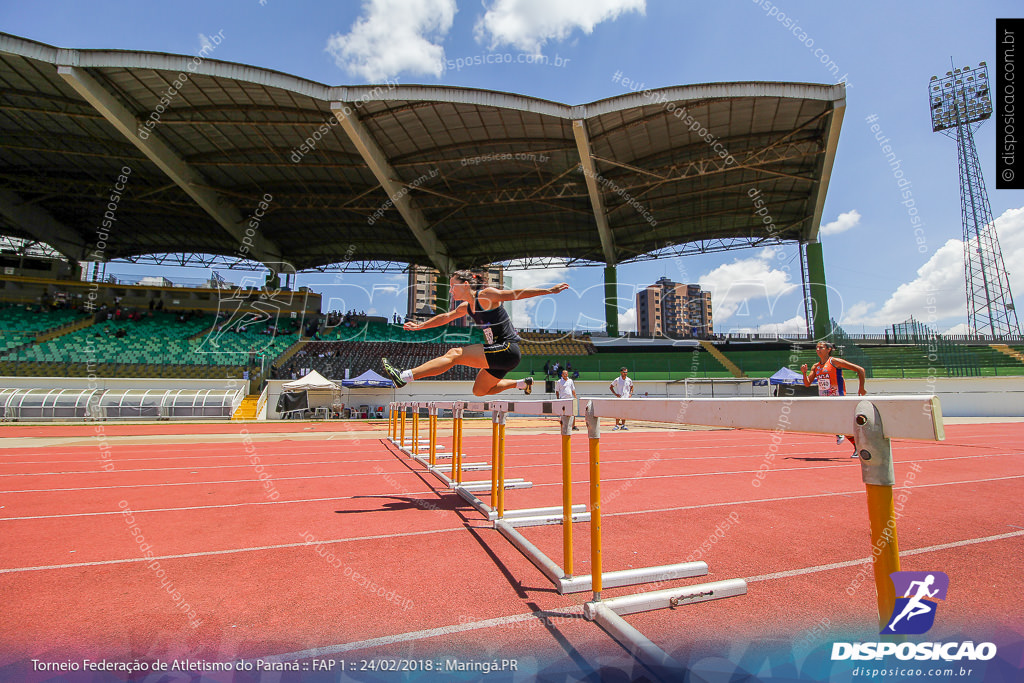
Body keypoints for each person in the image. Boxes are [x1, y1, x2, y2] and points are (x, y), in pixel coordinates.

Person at [381, 270, 569, 396]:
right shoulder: (466, 307)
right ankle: (521, 383)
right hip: (500, 356)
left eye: (453, 286)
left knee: (454, 354)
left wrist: (549, 290)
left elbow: (515, 294)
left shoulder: (486, 296)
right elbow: (445, 317)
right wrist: (420, 326)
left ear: (465, 284)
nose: (451, 290)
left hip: (507, 348)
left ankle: (404, 376)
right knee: (479, 391)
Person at [801, 341, 866, 457]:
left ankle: (848, 439)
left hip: (838, 398)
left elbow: (860, 370)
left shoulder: (835, 362)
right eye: (816, 348)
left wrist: (861, 388)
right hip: (825, 400)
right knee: (830, 421)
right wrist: (804, 373)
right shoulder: (816, 366)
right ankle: (842, 434)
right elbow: (807, 384)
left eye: (821, 347)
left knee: (841, 422)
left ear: (828, 349)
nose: (818, 350)